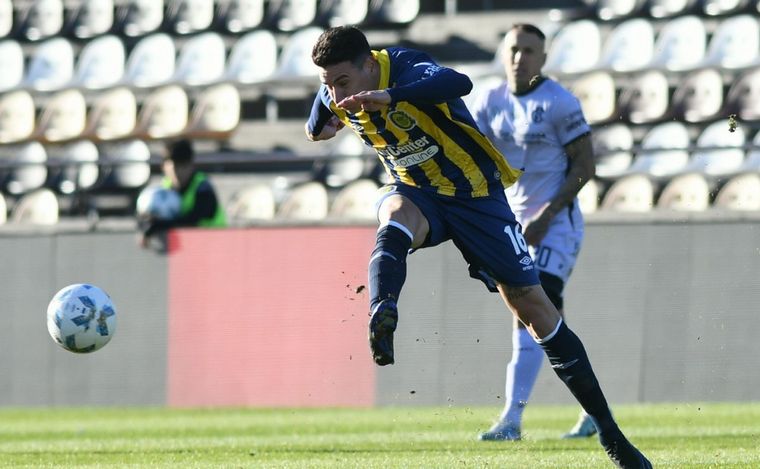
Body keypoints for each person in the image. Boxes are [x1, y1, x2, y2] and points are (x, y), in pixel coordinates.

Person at [304, 26, 651, 469]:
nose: (335, 92)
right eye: (327, 85)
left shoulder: (403, 65)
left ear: (369, 63)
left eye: (342, 83)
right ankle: (381, 308)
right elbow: (317, 129)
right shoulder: (336, 91)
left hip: (476, 197)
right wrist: (325, 121)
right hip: (418, 191)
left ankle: (612, 437)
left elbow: (457, 83)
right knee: (392, 215)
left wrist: (392, 97)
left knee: (536, 311)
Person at [470, 23, 598, 441]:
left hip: (557, 225)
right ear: (502, 53)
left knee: (531, 310)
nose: (519, 58)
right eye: (512, 49)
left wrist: (546, 216)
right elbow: (474, 157)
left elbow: (585, 166)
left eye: (529, 51)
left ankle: (511, 419)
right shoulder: (490, 100)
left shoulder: (559, 103)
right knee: (546, 317)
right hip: (512, 223)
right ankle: (593, 410)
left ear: (543, 59)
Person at [138, 139, 227, 248]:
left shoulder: (203, 188)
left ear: (191, 165)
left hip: (216, 245)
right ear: (164, 167)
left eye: (183, 166)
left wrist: (158, 226)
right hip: (188, 250)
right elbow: (146, 218)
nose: (178, 172)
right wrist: (147, 224)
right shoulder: (162, 191)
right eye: (174, 167)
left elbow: (192, 221)